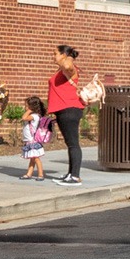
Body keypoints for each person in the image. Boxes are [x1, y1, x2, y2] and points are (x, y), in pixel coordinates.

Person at [46, 45, 85, 186]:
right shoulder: (60, 70)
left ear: (63, 55)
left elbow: (68, 65)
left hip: (70, 109)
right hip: (63, 110)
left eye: (55, 53)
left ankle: (75, 177)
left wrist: (69, 56)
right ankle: (71, 173)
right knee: (70, 144)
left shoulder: (70, 68)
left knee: (73, 144)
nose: (53, 56)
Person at [20, 96, 53, 181]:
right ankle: (29, 173)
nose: (25, 107)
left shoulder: (34, 116)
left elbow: (23, 117)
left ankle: (41, 174)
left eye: (27, 105)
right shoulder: (33, 115)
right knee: (32, 158)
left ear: (32, 107)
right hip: (29, 141)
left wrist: (29, 110)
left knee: (36, 158)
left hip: (33, 141)